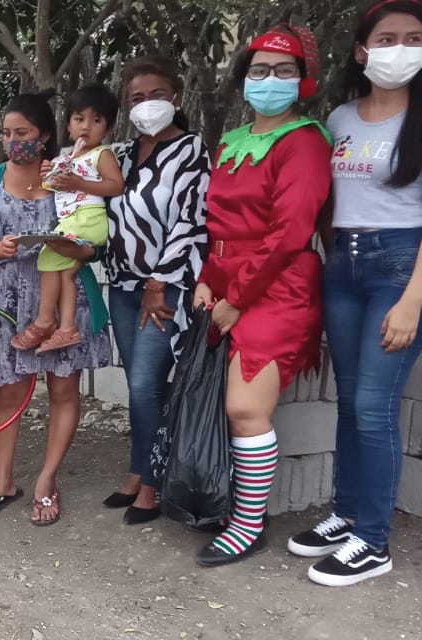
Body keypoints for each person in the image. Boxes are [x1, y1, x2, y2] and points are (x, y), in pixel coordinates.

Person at [290, 0, 422, 587]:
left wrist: (413, 300)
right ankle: (345, 515)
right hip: (342, 261)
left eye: (414, 38)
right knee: (349, 400)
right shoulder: (340, 119)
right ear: (363, 51)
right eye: (387, 39)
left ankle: (373, 540)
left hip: (401, 265)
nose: (401, 49)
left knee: (373, 406)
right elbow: (326, 202)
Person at [192, 24, 331, 567]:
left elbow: (289, 231)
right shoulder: (231, 140)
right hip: (228, 280)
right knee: (227, 406)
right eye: (259, 70)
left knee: (245, 408)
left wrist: (239, 296)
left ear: (303, 80)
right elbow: (217, 223)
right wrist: (208, 277)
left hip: (279, 285)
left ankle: (248, 524)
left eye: (283, 70)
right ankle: (232, 507)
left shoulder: (305, 142)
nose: (269, 80)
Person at [0, 93, 112, 526]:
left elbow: (96, 233)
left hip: (67, 298)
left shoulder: (69, 172)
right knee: (9, 393)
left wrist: (81, 249)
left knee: (63, 392)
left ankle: (46, 480)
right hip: (10, 301)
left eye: (23, 133)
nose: (14, 141)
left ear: (45, 134)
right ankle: (2, 481)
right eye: (7, 133)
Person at [104, 56, 211, 525]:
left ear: (176, 97)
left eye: (157, 95)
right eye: (138, 98)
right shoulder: (121, 155)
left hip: (163, 289)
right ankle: (138, 471)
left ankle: (152, 484)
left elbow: (190, 222)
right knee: (137, 385)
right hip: (122, 285)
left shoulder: (191, 150)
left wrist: (157, 284)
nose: (147, 105)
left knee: (148, 384)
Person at [11, 85, 123, 353]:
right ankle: (66, 328)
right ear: (69, 125)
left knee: (48, 256)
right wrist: (48, 174)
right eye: (79, 119)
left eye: (96, 120)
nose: (86, 127)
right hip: (72, 219)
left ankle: (45, 321)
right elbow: (55, 188)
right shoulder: (65, 156)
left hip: (88, 218)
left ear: (107, 129)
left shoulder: (101, 154)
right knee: (66, 271)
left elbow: (116, 186)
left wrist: (80, 183)